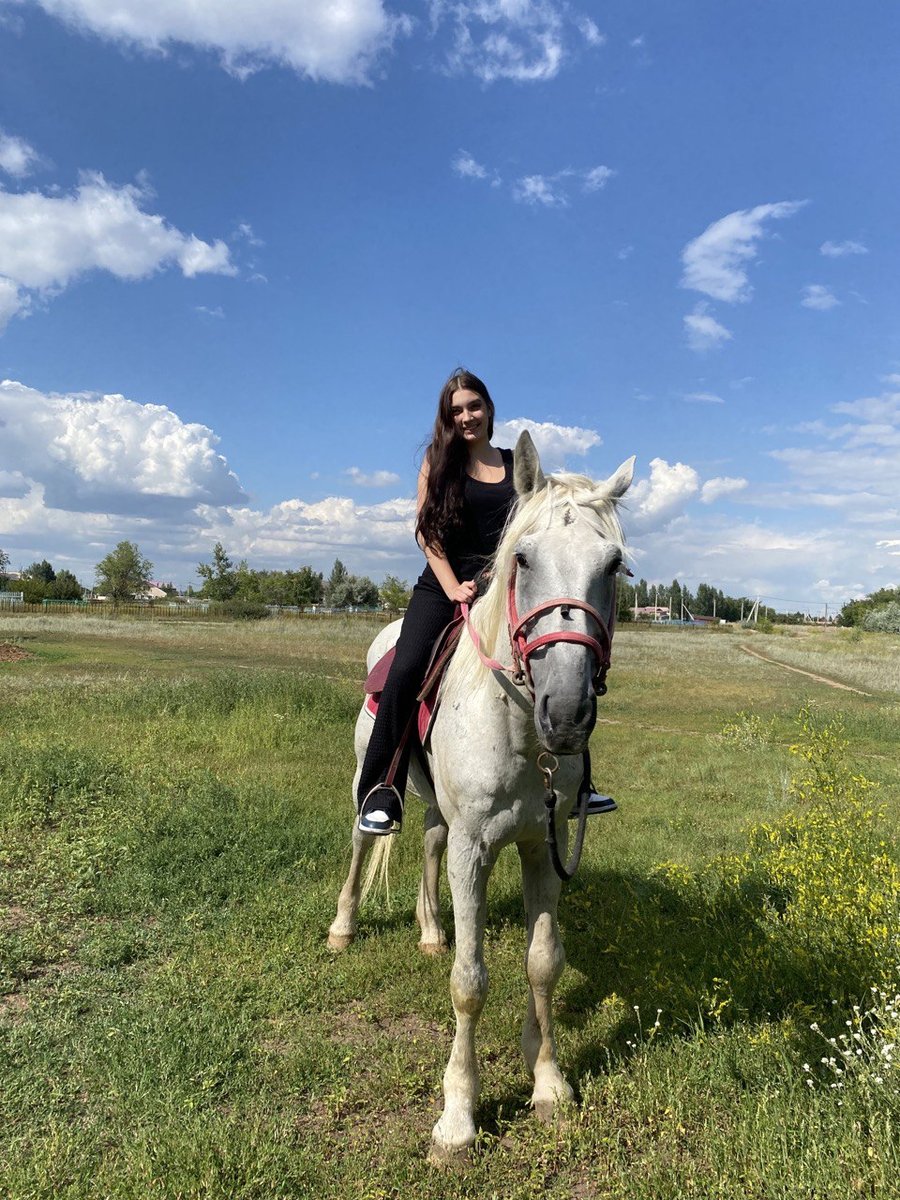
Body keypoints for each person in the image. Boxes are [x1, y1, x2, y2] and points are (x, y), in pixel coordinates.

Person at [356, 368, 616, 836]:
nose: (466, 416)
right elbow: (427, 533)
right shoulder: (438, 462)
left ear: (489, 409)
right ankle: (381, 789)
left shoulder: (518, 466)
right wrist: (452, 586)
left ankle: (579, 784)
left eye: (473, 406)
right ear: (447, 417)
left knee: (559, 657)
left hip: (501, 586)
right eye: (456, 410)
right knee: (406, 666)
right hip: (444, 586)